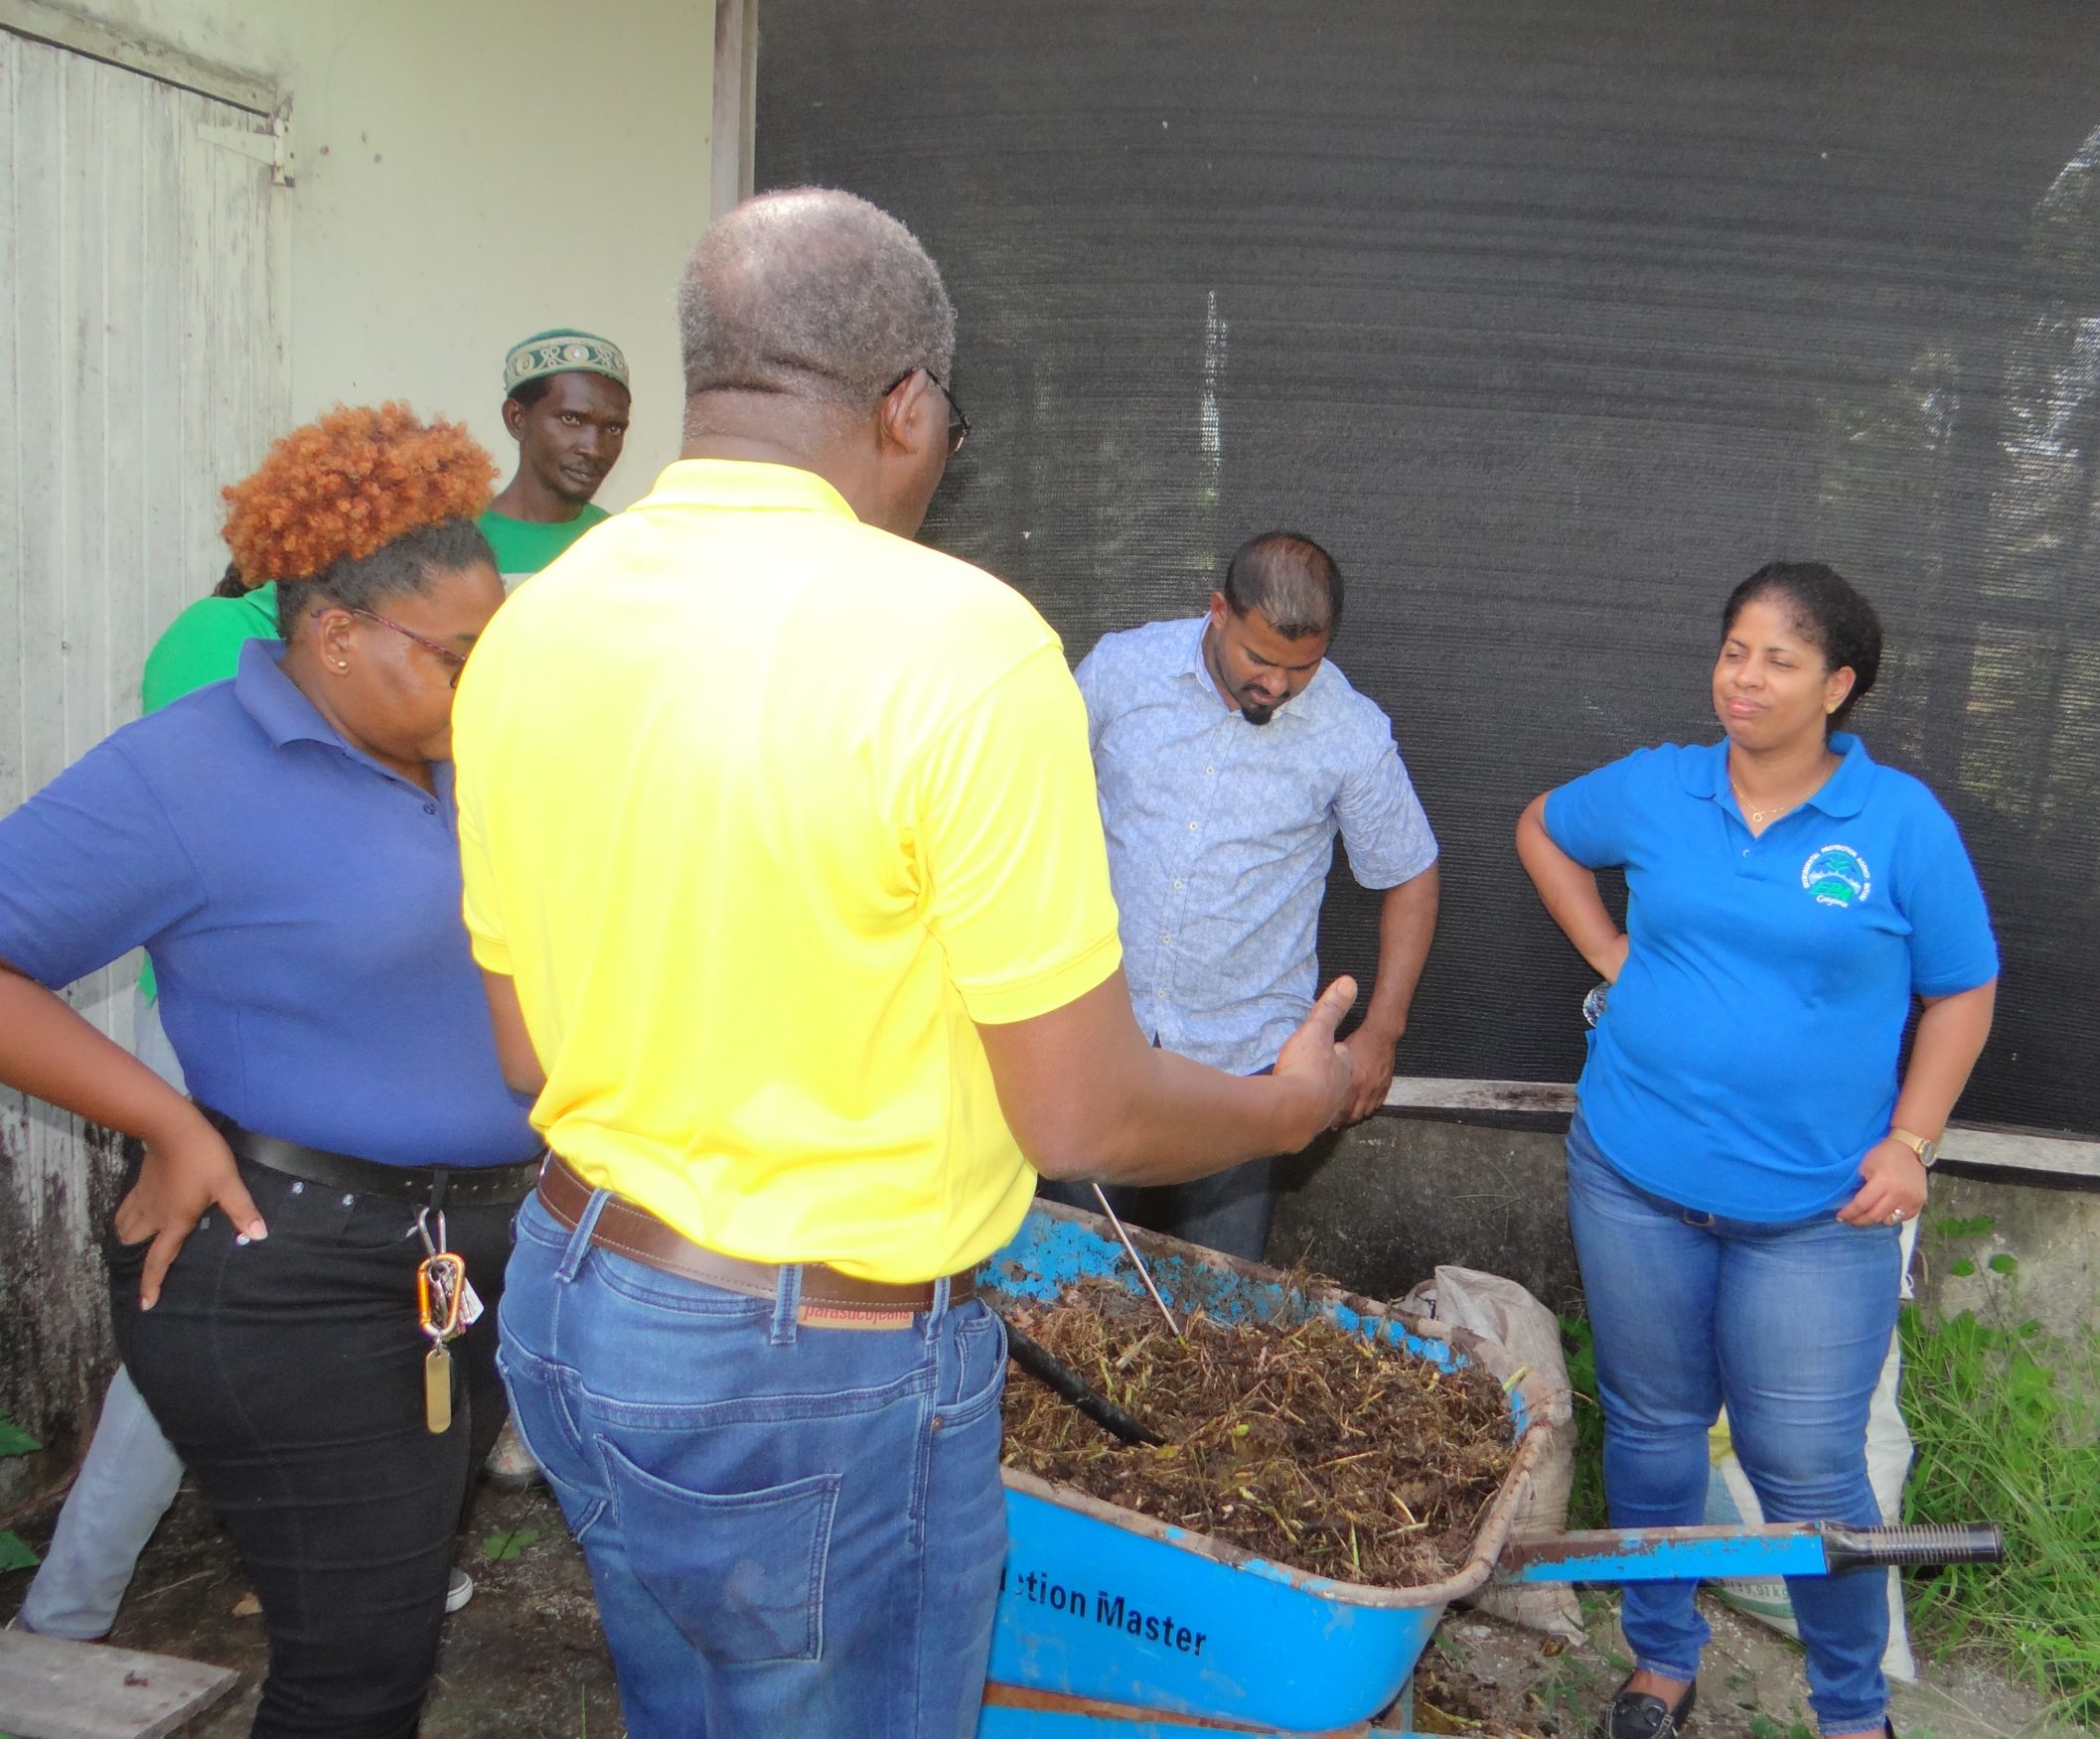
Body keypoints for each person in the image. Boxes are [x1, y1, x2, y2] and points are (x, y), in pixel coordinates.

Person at [454, 187, 1367, 1738]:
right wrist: (1289, 1105)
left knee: (687, 1705)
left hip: (568, 1295)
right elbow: (1077, 1113)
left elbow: (528, 1052)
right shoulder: (962, 644)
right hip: (806, 1371)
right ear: (907, 403)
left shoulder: (535, 622)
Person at [0, 404, 534, 1736]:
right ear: (338, 635)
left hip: (454, 1263)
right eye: (459, 657)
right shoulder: (185, 775)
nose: (485, 685)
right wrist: (166, 1120)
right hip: (288, 1275)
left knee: (384, 1637)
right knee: (357, 1672)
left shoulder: (463, 759)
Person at [1515, 561, 1999, 1739]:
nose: (1745, 677)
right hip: (1632, 1180)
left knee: (1808, 1469)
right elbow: (1541, 829)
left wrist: (1911, 1141)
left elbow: (1962, 988)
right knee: (1652, 1430)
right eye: (1734, 650)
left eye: (1779, 659)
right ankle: (1661, 1663)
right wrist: (1613, 955)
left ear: (1837, 686)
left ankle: (1852, 1711)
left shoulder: (1897, 823)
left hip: (1817, 1213)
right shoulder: (1659, 787)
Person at [1045, 532, 1441, 1259]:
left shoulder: (1350, 730)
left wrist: (1382, 1032)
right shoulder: (1122, 671)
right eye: (1260, 659)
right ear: (1219, 611)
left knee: (1222, 1292)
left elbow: (1410, 872)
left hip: (1247, 1063)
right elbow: (1034, 801)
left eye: (1303, 667)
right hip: (1097, 1034)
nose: (1279, 685)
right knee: (1072, 1275)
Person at [477, 328, 630, 586]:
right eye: (571, 419)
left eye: (613, 428)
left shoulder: (622, 545)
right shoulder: (457, 546)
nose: (594, 449)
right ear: (517, 419)